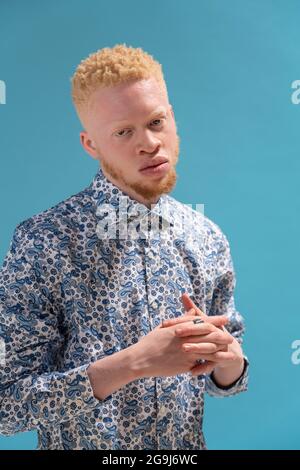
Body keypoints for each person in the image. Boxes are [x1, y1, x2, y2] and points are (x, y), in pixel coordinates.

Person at [0, 44, 248, 450]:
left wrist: (228, 360)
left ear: (173, 119)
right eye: (123, 131)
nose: (149, 143)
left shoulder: (206, 236)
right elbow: (5, 405)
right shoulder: (43, 241)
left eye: (156, 121)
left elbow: (227, 379)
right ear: (90, 144)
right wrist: (133, 363)